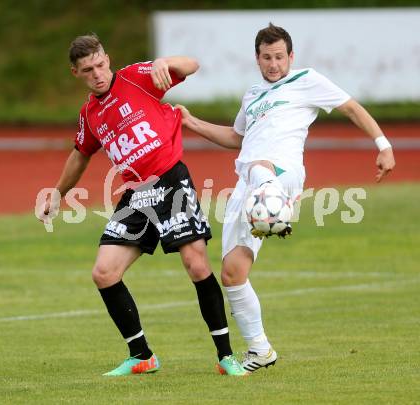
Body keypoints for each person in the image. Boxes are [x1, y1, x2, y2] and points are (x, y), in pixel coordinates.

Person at [177, 23, 396, 373]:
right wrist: (192, 122)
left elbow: (351, 108)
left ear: (291, 56)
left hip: (282, 175)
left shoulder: (307, 79)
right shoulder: (252, 95)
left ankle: (276, 209)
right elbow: (237, 138)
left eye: (280, 57)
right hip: (248, 182)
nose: (274, 64)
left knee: (262, 166)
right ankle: (260, 351)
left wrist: (383, 145)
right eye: (267, 57)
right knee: (232, 273)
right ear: (257, 58)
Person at [38, 34, 247, 376]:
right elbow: (80, 155)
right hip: (136, 195)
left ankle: (226, 357)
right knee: (104, 273)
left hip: (170, 180)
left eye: (101, 64)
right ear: (75, 73)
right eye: (88, 70)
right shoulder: (89, 114)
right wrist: (58, 194)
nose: (98, 74)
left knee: (195, 264)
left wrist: (166, 63)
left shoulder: (136, 77)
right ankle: (142, 355)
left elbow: (192, 65)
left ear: (108, 58)